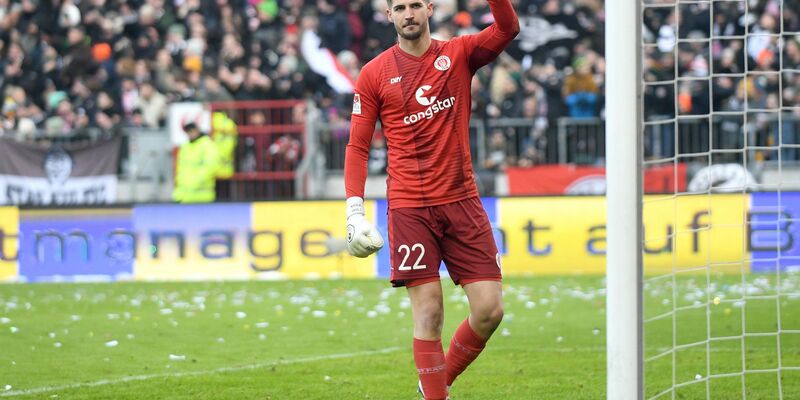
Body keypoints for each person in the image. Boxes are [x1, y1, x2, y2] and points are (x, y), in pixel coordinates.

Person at [342, 1, 519, 399]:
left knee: (490, 310)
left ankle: (435, 385)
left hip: (462, 200)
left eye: (415, 5)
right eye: (399, 7)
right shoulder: (374, 73)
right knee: (429, 312)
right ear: (389, 15)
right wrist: (354, 210)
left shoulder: (459, 54)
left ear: (429, 9)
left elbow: (507, 28)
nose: (408, 14)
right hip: (410, 208)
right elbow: (357, 146)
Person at [172, 122, 223, 203]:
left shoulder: (208, 145)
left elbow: (211, 167)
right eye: (188, 132)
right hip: (182, 196)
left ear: (197, 130)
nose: (190, 134)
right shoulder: (185, 146)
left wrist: (193, 183)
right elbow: (181, 169)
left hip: (201, 196)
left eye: (192, 131)